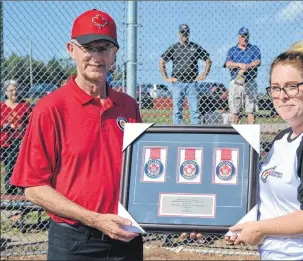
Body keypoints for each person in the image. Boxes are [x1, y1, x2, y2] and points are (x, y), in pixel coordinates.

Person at [187, 37, 303, 260]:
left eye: (292, 86)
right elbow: (273, 207)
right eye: (275, 88)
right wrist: (214, 224)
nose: (282, 95)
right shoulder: (282, 138)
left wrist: (259, 229)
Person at [10, 9, 143, 260]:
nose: (96, 56)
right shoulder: (50, 108)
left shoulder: (128, 106)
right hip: (75, 240)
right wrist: (94, 219)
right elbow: (34, 188)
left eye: (104, 48)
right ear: (71, 49)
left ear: (114, 54)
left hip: (127, 237)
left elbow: (145, 174)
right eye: (88, 47)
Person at [159, 24, 212, 124]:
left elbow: (208, 60)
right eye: (182, 33)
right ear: (179, 34)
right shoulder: (174, 48)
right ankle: (177, 133)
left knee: (195, 111)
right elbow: (162, 62)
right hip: (178, 83)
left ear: (189, 33)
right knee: (177, 112)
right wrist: (166, 78)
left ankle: (196, 133)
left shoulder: (195, 47)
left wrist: (204, 74)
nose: (184, 35)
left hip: (192, 83)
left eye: (186, 33)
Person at [224, 27, 261, 124]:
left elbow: (257, 61)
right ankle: (235, 134)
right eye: (243, 36)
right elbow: (228, 63)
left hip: (250, 81)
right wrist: (239, 65)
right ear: (238, 37)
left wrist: (248, 66)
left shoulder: (254, 48)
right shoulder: (232, 50)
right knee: (235, 111)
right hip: (236, 82)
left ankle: (250, 135)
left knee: (251, 110)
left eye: (247, 36)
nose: (245, 38)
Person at [0, 79, 31, 195]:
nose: (14, 92)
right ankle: (10, 192)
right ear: (6, 92)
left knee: (21, 167)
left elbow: (31, 121)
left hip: (21, 141)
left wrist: (22, 127)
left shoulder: (24, 105)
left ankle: (22, 192)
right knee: (9, 167)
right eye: (11, 90)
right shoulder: (2, 106)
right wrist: (6, 124)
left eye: (16, 89)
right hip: (6, 141)